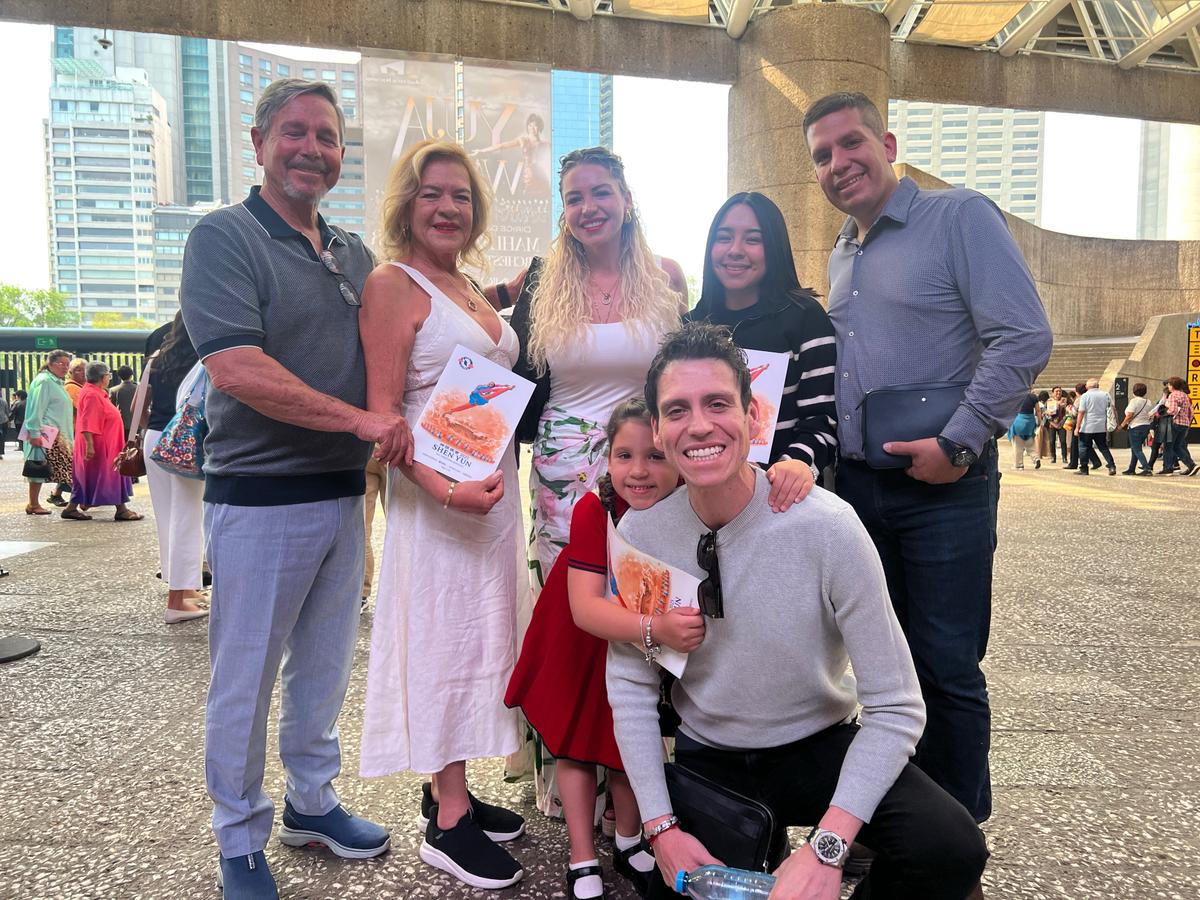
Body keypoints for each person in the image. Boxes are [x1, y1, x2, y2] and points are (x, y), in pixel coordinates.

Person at [607, 321, 989, 900]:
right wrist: (661, 831)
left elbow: (897, 706)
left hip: (819, 742)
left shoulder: (827, 528)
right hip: (711, 751)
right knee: (679, 887)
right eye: (677, 410)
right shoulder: (641, 534)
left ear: (753, 417)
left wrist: (829, 846)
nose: (701, 425)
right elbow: (631, 689)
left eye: (717, 403)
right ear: (657, 430)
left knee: (950, 849)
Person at [181, 78, 411, 897]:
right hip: (259, 500)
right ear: (258, 142)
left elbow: (399, 341)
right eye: (295, 132)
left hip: (343, 497)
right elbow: (236, 369)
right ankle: (237, 833)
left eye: (327, 136)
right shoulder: (225, 238)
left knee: (321, 669)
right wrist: (356, 423)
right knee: (243, 678)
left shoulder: (352, 252)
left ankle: (311, 803)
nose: (312, 149)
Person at [804, 91, 1053, 824]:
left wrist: (960, 442)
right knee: (887, 673)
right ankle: (910, 829)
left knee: (946, 668)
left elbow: (1024, 337)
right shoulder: (843, 250)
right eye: (822, 155)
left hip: (943, 488)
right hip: (860, 490)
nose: (838, 163)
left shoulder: (959, 216)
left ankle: (957, 846)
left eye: (851, 143)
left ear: (886, 142)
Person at [491, 146, 686, 812]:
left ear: (626, 200)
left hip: (645, 474)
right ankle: (566, 784)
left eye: (600, 193)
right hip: (562, 475)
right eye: (573, 198)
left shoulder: (664, 279)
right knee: (569, 620)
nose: (587, 207)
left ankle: (636, 788)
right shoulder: (543, 282)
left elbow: (681, 381)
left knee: (637, 610)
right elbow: (512, 377)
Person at [358, 139, 528, 891]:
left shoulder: (466, 289)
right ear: (407, 202)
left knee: (477, 641)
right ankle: (449, 823)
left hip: (488, 501)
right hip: (439, 504)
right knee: (442, 642)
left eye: (460, 195)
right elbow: (384, 420)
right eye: (432, 193)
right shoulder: (393, 285)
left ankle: (445, 790)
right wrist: (445, 490)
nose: (448, 206)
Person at [506, 398, 701, 900]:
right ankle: (580, 854)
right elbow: (585, 610)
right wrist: (657, 630)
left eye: (654, 457)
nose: (639, 471)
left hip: (636, 647)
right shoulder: (595, 509)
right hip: (579, 641)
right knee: (576, 742)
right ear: (606, 458)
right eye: (624, 456)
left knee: (628, 745)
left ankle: (631, 840)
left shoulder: (687, 508)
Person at [686, 192, 837, 507]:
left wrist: (793, 466)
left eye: (753, 240)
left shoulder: (805, 317)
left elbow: (822, 419)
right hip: (704, 501)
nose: (735, 251)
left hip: (780, 498)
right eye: (724, 238)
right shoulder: (690, 326)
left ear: (774, 248)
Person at [143, 312, 208, 623]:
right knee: (188, 517)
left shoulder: (158, 357)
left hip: (154, 437)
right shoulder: (203, 357)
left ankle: (186, 589)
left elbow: (137, 407)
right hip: (185, 439)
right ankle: (177, 601)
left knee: (168, 518)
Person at [61, 362, 140, 521]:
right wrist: (90, 445)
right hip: (98, 444)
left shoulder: (96, 392)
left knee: (95, 475)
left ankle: (72, 507)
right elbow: (87, 421)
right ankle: (121, 509)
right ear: (103, 377)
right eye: (109, 375)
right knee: (110, 473)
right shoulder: (91, 394)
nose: (110, 378)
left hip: (106, 442)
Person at [21, 350, 74, 516]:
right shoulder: (44, 381)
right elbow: (36, 407)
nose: (65, 367)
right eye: (61, 364)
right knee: (37, 467)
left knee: (57, 468)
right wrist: (34, 432)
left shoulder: (56, 382)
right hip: (46, 433)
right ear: (51, 364)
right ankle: (33, 504)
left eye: (67, 364)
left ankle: (38, 503)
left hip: (58, 434)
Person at [1074, 378, 1117, 476]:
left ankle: (1084, 468)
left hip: (1087, 427)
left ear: (1087, 386)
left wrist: (1077, 427)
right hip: (1101, 426)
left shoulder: (1085, 396)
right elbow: (1113, 409)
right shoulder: (1106, 394)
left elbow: (1081, 412)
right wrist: (1116, 423)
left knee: (1083, 447)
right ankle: (1111, 466)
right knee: (1103, 447)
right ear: (1097, 385)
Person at [1161, 375, 1197, 476]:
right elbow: (1191, 411)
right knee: (1177, 447)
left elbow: (1172, 410)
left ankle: (1168, 468)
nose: (1168, 386)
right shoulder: (1184, 395)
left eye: (1169, 385)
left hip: (1175, 423)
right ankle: (1191, 465)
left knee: (1168, 446)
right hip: (1184, 424)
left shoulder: (1173, 395)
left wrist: (1164, 412)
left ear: (1172, 386)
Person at [1116, 381, 1154, 475]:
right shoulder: (1148, 402)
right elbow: (1151, 414)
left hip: (1135, 427)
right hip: (1145, 426)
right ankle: (1131, 468)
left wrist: (1122, 425)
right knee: (1135, 448)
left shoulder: (1134, 401)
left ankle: (1147, 468)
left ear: (1134, 391)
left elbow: (1129, 415)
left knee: (1137, 449)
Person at [1008, 391, 1041, 470]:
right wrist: (1039, 421)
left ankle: (1019, 465)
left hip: (1018, 420)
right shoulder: (1033, 397)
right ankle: (1036, 458)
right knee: (1030, 443)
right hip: (1030, 421)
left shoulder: (1015, 395)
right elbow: (1038, 410)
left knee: (1017, 445)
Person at [1147, 383, 1174, 474]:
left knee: (1156, 446)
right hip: (1168, 426)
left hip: (1164, 425)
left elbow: (1160, 412)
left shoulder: (1167, 403)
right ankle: (1167, 467)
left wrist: (1155, 414)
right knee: (1167, 447)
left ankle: (1150, 466)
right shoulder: (1169, 402)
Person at [109, 364, 138, 435]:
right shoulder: (138, 388)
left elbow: (111, 407)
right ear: (132, 375)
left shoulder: (113, 390)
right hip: (137, 423)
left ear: (119, 376)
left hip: (121, 423)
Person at [1045, 386, 1067, 463]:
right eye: (1056, 391)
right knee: (1051, 441)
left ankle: (1064, 457)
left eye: (1059, 391)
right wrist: (1048, 413)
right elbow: (1045, 412)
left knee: (1063, 441)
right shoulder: (1049, 401)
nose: (1058, 393)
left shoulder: (1065, 400)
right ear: (1053, 393)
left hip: (1062, 423)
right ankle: (1053, 457)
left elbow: (1069, 410)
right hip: (1052, 423)